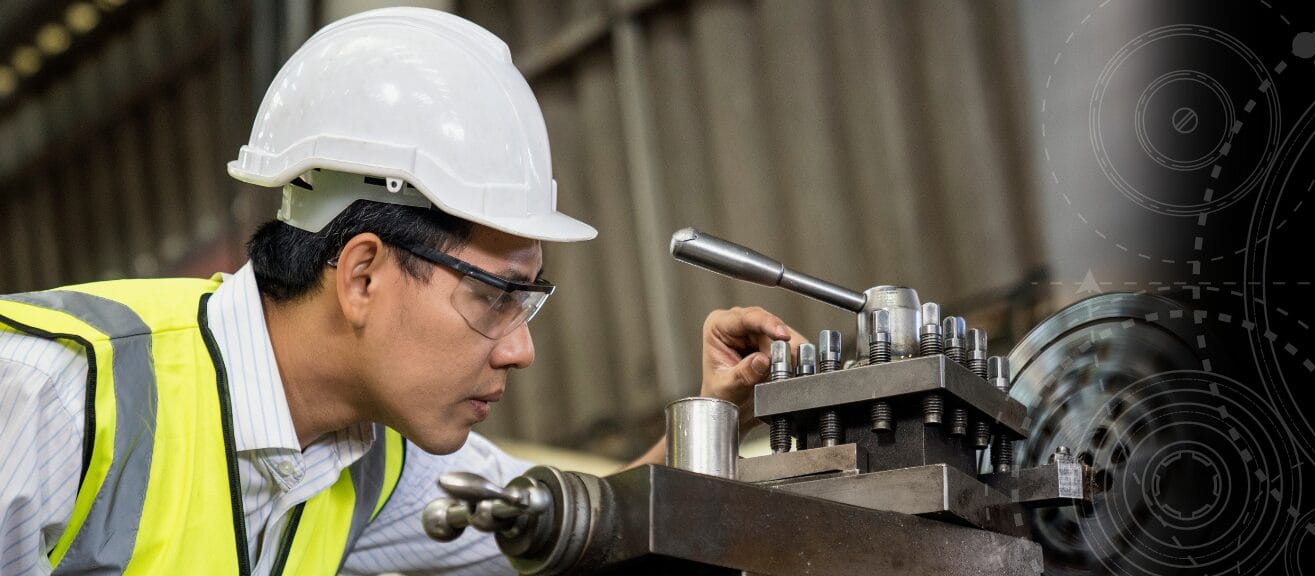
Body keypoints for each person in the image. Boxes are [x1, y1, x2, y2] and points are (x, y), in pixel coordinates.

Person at [0, 7, 789, 575]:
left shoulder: (373, 461)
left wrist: (714, 419)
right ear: (363, 274)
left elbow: (580, 527)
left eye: (528, 300)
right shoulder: (56, 395)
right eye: (493, 297)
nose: (521, 349)